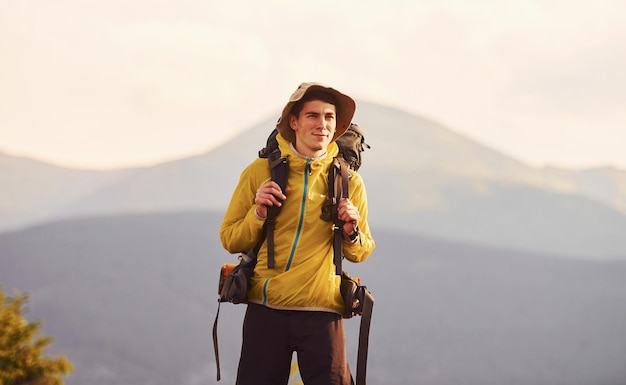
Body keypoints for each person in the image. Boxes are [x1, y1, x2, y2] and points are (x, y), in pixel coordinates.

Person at [220, 82, 375, 385]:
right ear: (294, 122)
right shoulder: (260, 172)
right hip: (267, 310)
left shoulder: (348, 181)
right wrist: (258, 213)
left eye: (329, 117)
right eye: (313, 116)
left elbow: (362, 250)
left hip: (322, 311)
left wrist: (351, 230)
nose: (322, 125)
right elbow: (230, 239)